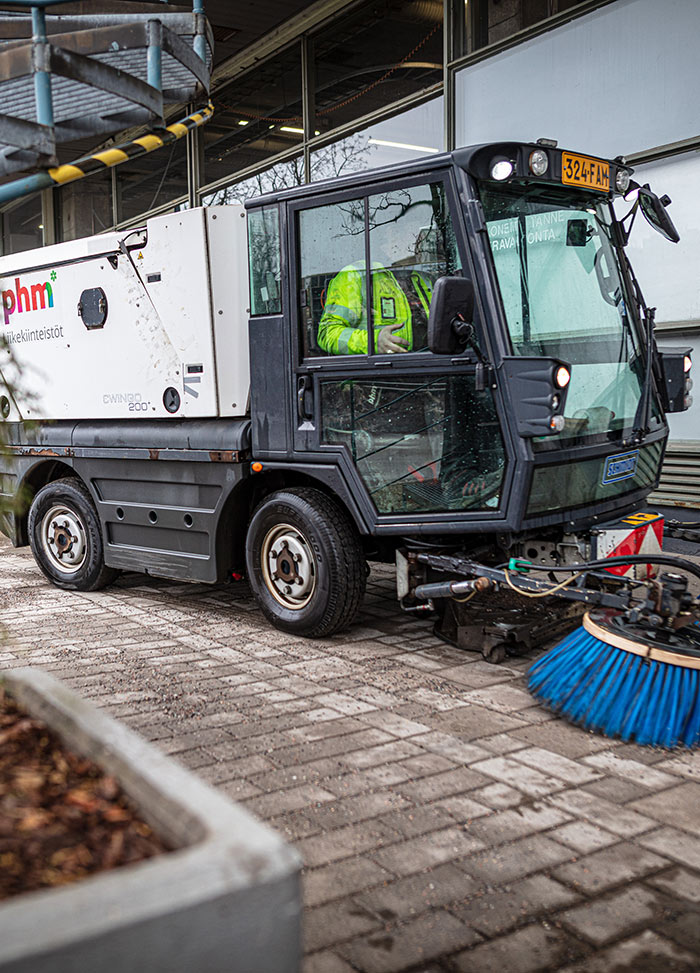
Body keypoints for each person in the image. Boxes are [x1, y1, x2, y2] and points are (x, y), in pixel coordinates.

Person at [317, 260, 434, 355]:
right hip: (372, 378)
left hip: (428, 371)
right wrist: (373, 342)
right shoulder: (355, 275)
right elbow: (327, 334)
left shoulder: (424, 277)